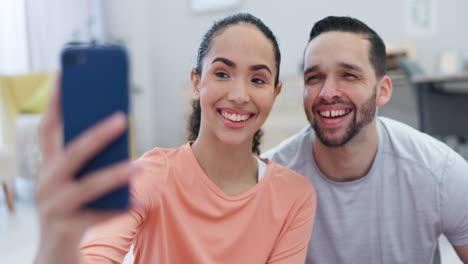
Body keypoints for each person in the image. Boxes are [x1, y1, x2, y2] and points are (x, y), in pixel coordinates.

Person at [35, 13, 316, 264]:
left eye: (258, 80)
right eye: (222, 73)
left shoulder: (294, 196)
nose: (239, 95)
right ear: (196, 82)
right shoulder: (152, 174)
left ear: (275, 93)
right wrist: (57, 241)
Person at [263, 16, 468, 263]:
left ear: (383, 91)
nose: (327, 93)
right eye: (314, 78)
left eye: (348, 75)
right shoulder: (270, 181)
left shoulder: (438, 171)